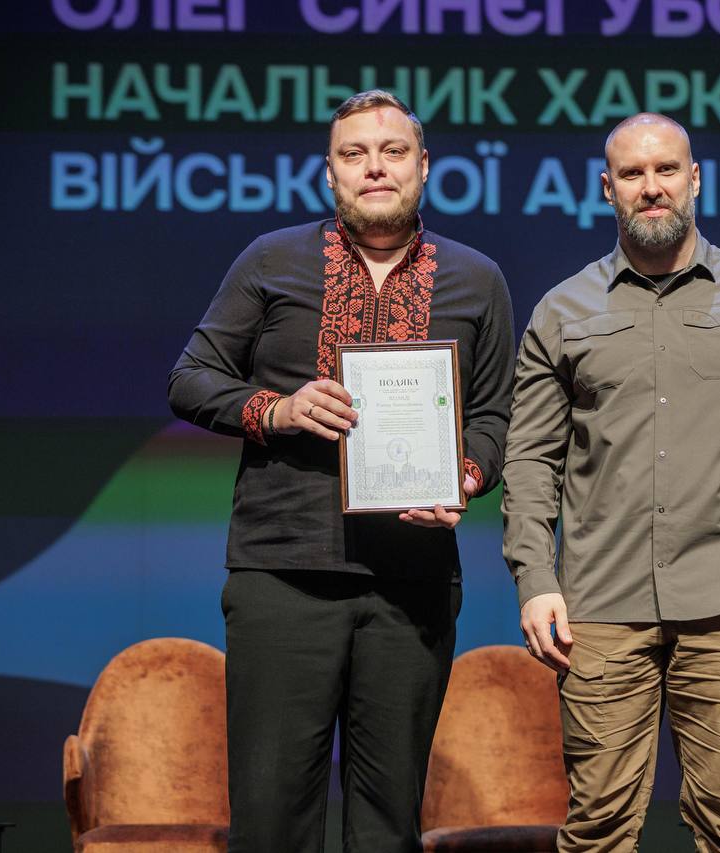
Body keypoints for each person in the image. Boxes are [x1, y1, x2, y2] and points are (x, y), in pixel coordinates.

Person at [168, 90, 514, 853]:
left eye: (393, 151)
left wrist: (464, 474)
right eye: (354, 154)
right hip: (283, 575)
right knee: (272, 820)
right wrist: (278, 410)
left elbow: (497, 414)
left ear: (424, 166)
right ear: (330, 173)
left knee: (388, 824)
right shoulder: (271, 259)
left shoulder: (477, 278)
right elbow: (190, 378)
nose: (375, 168)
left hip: (413, 584)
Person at [501, 113, 720, 852]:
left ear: (695, 179)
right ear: (608, 188)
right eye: (632, 173)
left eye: (665, 170)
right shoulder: (562, 311)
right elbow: (529, 461)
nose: (650, 186)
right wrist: (534, 578)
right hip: (599, 604)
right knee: (596, 831)